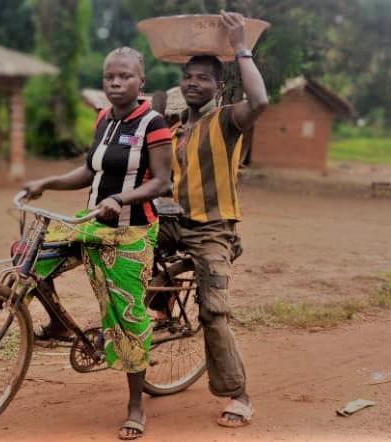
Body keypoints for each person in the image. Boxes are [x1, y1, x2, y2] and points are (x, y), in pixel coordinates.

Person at [22, 46, 172, 440]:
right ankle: (57, 323)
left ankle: (136, 403)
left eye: (124, 76)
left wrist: (121, 199)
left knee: (128, 315)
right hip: (90, 223)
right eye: (110, 77)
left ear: (141, 81)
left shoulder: (153, 123)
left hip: (131, 230)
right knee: (29, 258)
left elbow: (162, 181)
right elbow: (90, 170)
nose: (116, 83)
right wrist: (47, 182)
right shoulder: (104, 119)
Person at [159, 10, 268, 428]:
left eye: (203, 78)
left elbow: (260, 101)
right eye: (188, 75)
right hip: (173, 222)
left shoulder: (227, 120)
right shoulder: (174, 130)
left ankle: (238, 394)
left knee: (213, 312)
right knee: (124, 243)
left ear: (218, 87)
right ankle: (162, 304)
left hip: (211, 229)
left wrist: (241, 46)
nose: (192, 82)